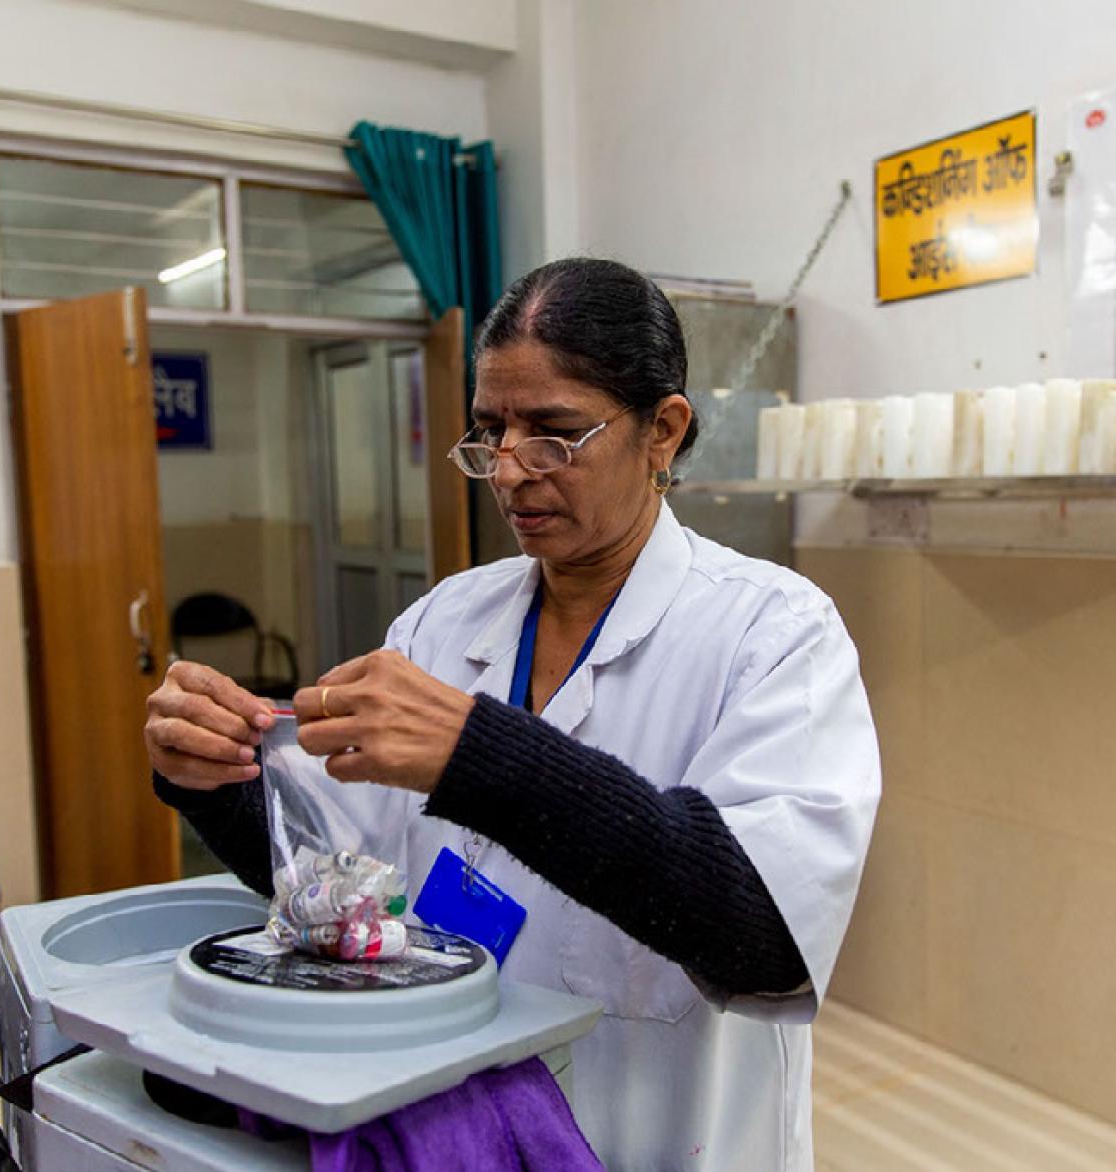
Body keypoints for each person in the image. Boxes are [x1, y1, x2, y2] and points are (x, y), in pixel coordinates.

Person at [145, 257, 880, 1172]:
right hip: (454, 1133)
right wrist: (217, 778)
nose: (511, 471)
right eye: (490, 432)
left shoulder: (772, 632)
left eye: (556, 435)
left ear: (664, 430)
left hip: (659, 1136)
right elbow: (337, 879)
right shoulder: (446, 621)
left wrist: (480, 757)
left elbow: (765, 937)